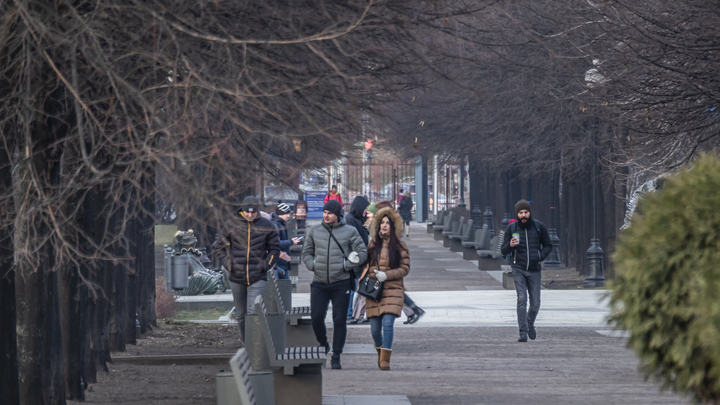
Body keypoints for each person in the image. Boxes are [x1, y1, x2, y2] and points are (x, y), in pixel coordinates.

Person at [302, 200, 367, 369]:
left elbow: (362, 252)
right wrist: (313, 265)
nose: (326, 215)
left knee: (339, 320)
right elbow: (306, 252)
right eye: (324, 212)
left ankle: (336, 355)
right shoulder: (315, 230)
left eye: (329, 213)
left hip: (341, 283)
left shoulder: (349, 231)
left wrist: (347, 266)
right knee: (316, 318)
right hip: (319, 283)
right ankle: (323, 344)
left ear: (337, 215)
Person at [212, 196, 280, 343]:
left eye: (253, 212)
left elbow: (275, 249)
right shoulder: (231, 224)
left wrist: (265, 265)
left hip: (258, 276)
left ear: (258, 211)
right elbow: (218, 248)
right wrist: (229, 265)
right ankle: (245, 342)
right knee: (241, 314)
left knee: (253, 312)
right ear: (242, 211)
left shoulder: (267, 225)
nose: (250, 215)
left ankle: (253, 346)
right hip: (237, 276)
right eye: (247, 212)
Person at [362, 206, 410, 370]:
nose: (384, 225)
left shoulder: (400, 246)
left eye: (388, 223)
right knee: (375, 329)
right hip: (374, 290)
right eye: (382, 222)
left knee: (388, 323)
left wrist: (387, 275)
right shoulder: (373, 245)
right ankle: (381, 351)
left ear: (393, 225)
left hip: (393, 289)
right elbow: (365, 264)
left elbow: (405, 269)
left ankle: (385, 360)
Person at [500, 199, 553, 342]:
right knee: (522, 299)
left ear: (530, 213)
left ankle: (530, 323)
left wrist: (539, 256)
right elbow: (503, 251)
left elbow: (548, 245)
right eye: (521, 213)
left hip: (535, 270)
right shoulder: (511, 229)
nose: (524, 215)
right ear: (517, 214)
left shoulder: (538, 227)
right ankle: (522, 332)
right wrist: (510, 245)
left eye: (526, 212)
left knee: (535, 303)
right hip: (519, 269)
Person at [344, 196, 371, 322]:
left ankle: (353, 314)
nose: (366, 211)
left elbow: (366, 235)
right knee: (355, 287)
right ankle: (350, 314)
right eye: (365, 208)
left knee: (358, 287)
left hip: (360, 258)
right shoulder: (350, 220)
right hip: (355, 259)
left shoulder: (359, 219)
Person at [271, 203, 301, 280]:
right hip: (278, 262)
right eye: (286, 213)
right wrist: (291, 242)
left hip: (281, 263)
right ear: (280, 214)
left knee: (285, 287)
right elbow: (276, 243)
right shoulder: (276, 225)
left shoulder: (280, 224)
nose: (288, 216)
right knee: (285, 288)